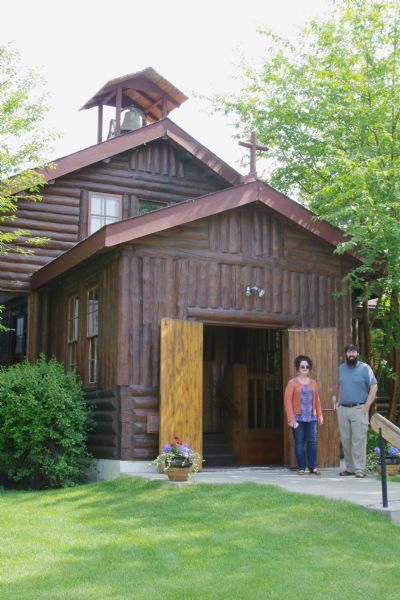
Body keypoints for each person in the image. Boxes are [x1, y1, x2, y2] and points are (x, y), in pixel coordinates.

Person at [336, 343, 378, 478]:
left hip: (359, 409)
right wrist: (338, 400)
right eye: (349, 352)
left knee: (358, 440)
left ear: (357, 354)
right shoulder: (341, 368)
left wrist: (367, 406)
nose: (351, 354)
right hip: (343, 410)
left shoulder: (365, 368)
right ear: (346, 354)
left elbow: (374, 387)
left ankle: (359, 469)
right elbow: (342, 386)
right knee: (346, 440)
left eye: (354, 351)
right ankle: (350, 468)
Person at [284, 355, 324, 475]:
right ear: (298, 368)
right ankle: (302, 468)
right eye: (302, 366)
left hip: (311, 417)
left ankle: (313, 467)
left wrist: (320, 415)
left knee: (312, 442)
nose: (305, 368)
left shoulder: (313, 383)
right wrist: (291, 419)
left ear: (309, 368)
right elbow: (287, 402)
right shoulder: (292, 383)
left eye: (307, 366)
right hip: (298, 418)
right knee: (300, 442)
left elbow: (317, 400)